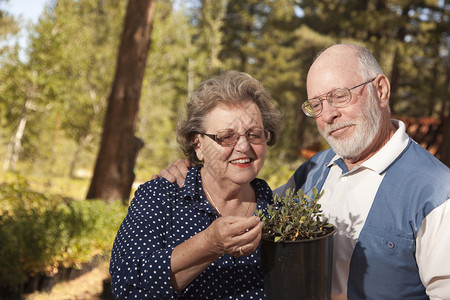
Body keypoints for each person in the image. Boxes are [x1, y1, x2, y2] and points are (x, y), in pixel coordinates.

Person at [155, 44, 450, 299]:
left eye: (339, 96)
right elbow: (254, 202)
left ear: (381, 90)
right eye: (317, 104)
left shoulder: (436, 191)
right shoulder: (314, 171)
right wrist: (194, 166)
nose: (328, 114)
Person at [109, 70, 282, 299]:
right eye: (226, 136)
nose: (243, 146)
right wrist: (210, 244)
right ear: (197, 143)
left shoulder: (280, 215)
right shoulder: (161, 197)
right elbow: (126, 284)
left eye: (254, 134)